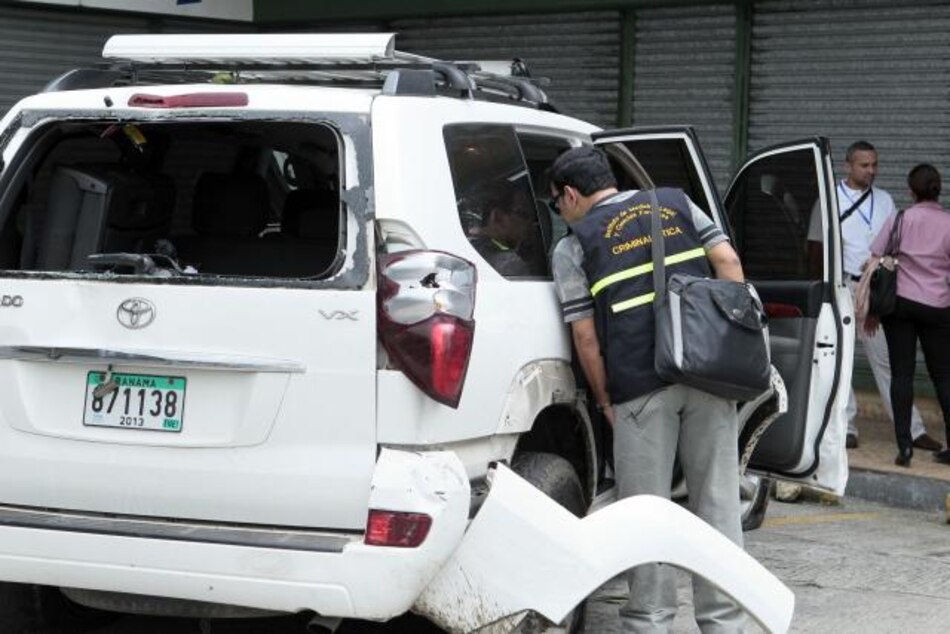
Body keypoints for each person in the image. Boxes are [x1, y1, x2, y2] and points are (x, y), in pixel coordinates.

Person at [549, 146, 748, 632]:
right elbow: (727, 262)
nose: (561, 214)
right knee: (718, 503)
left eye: (557, 204)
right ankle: (725, 623)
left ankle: (650, 622)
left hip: (641, 388)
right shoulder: (678, 203)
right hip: (707, 377)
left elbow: (586, 337)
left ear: (571, 195)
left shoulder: (574, 246)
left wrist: (604, 400)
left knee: (646, 513)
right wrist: (729, 343)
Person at [806, 141, 939, 452]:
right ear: (848, 165)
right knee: (839, 360)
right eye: (865, 165)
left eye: (875, 165)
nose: (872, 171)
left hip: (876, 290)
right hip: (841, 288)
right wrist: (818, 290)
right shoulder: (829, 198)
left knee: (887, 361)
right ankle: (847, 426)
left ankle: (911, 429)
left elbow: (896, 241)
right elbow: (814, 246)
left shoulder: (884, 200)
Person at [865, 163, 950, 467]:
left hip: (900, 305)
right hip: (938, 306)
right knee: (943, 375)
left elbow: (874, 258)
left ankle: (905, 448)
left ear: (911, 191)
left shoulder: (900, 219)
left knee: (901, 374)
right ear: (937, 189)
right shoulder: (948, 223)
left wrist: (871, 309)